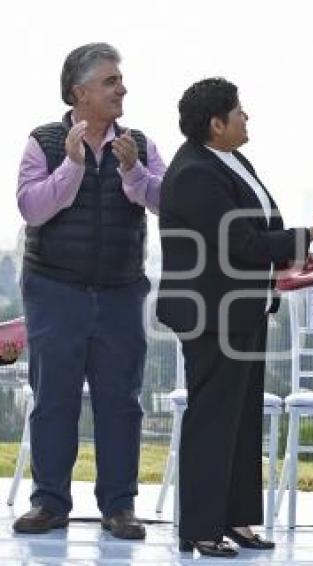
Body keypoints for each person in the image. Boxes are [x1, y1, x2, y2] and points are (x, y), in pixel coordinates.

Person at [156, 78, 313, 558]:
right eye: (238, 112)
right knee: (212, 422)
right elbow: (242, 243)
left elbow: (264, 227)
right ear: (215, 124)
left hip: (245, 311)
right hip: (213, 316)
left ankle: (235, 519)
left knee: (239, 424)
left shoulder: (231, 160)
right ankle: (199, 529)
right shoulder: (195, 173)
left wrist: (296, 255)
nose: (246, 117)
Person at [12, 42, 164, 540]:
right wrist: (73, 166)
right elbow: (32, 208)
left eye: (119, 80)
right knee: (54, 398)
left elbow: (167, 201)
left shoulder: (137, 144)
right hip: (55, 289)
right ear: (80, 92)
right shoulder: (45, 141)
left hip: (120, 291)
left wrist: (132, 172)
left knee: (120, 401)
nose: (122, 89)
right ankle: (50, 502)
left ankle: (119, 506)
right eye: (110, 82)